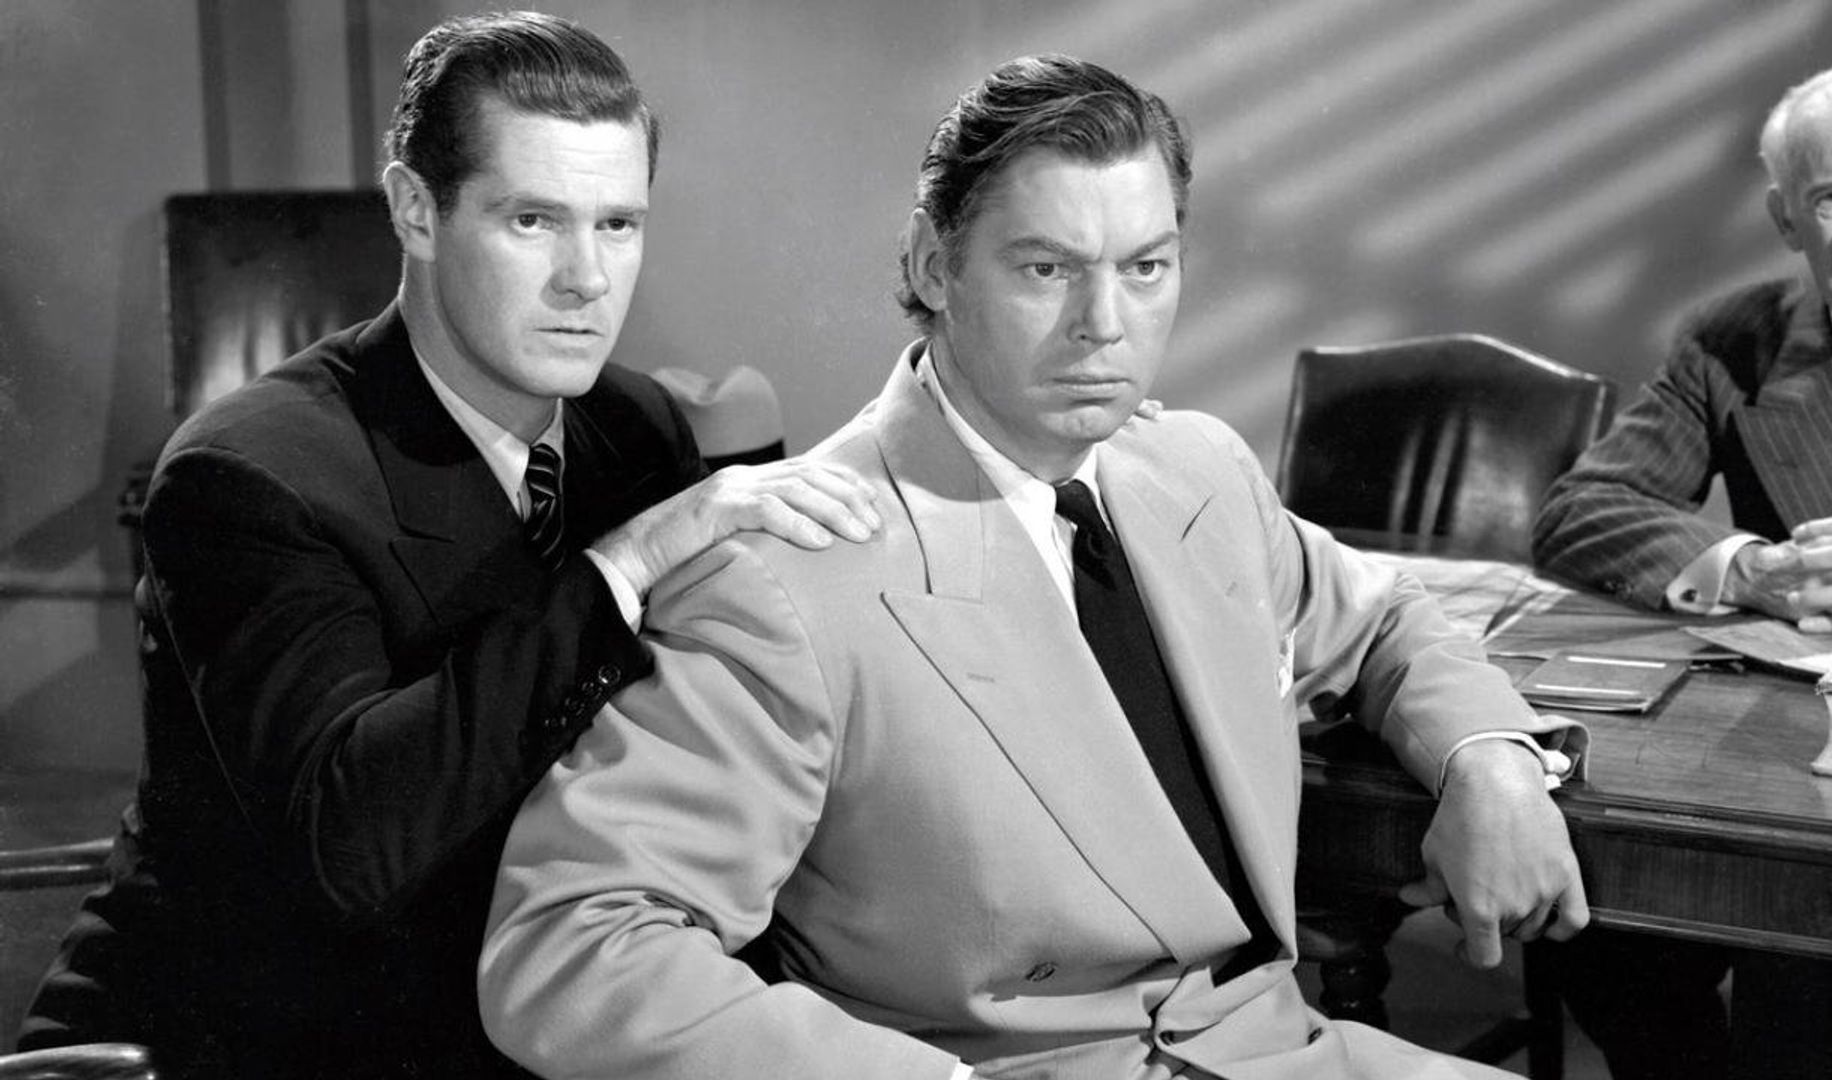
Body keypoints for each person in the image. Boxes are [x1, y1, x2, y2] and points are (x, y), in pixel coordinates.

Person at [478, 54, 1590, 1080]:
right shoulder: (786, 575)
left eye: (1145, 268)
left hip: (1287, 1048)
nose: (1104, 325)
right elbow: (574, 945)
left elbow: (1386, 619)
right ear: (933, 264)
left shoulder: (1193, 469)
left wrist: (1490, 761)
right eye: (1047, 268)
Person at [17, 11, 878, 1078]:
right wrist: (622, 566)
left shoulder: (636, 427)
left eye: (618, 224)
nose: (586, 278)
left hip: (513, 1004)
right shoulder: (247, 473)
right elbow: (351, 844)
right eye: (533, 220)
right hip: (257, 1042)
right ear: (415, 211)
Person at [1532, 59, 1832, 1080]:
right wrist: (1753, 571)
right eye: (1830, 198)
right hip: (1791, 770)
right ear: (1786, 220)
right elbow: (1580, 512)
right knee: (1590, 907)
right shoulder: (1735, 339)